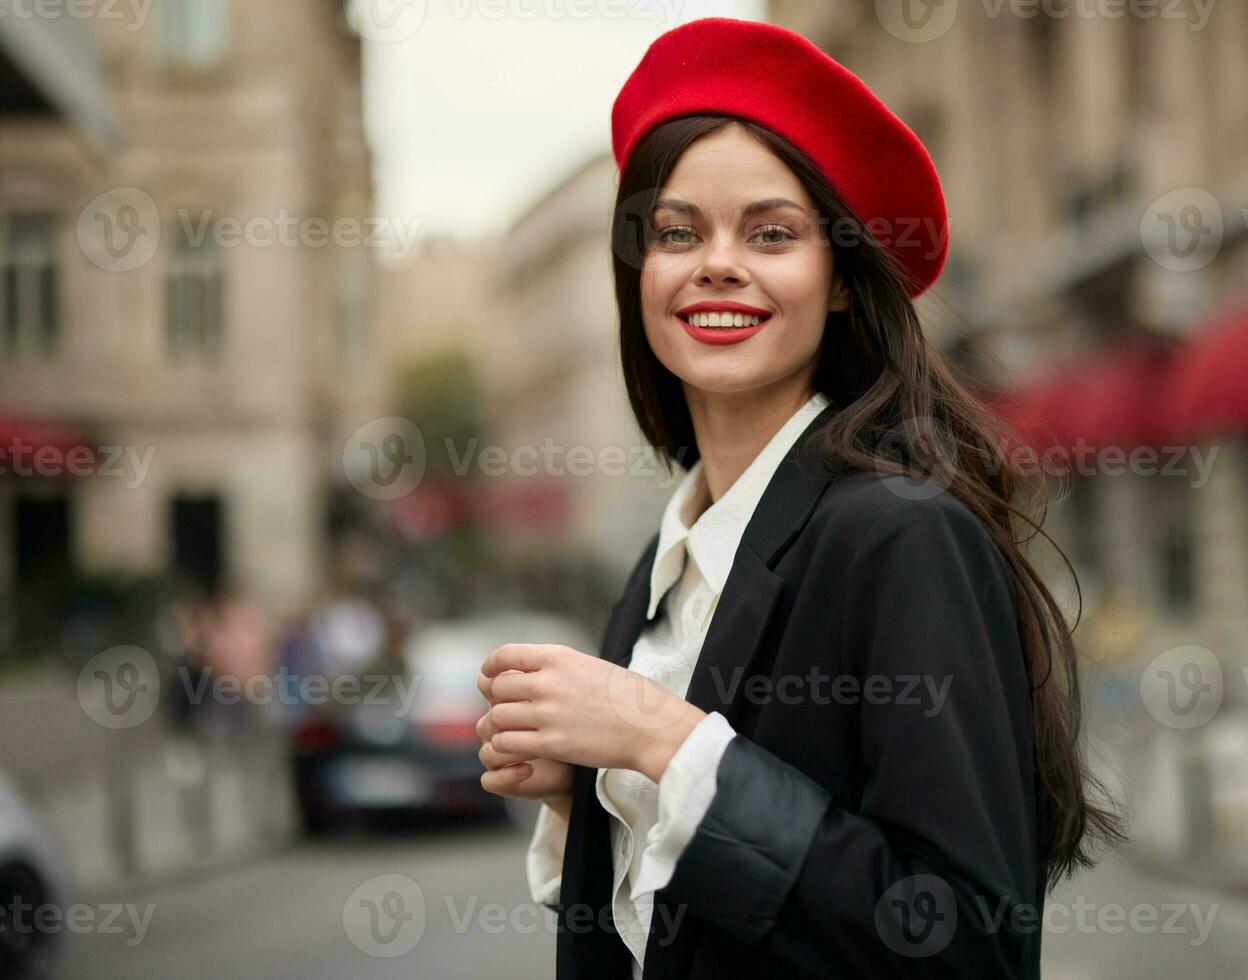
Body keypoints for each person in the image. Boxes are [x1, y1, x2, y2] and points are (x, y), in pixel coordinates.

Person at [474, 18, 1123, 978]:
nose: (716, 263)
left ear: (843, 284)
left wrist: (665, 743)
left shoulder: (905, 536)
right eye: (675, 232)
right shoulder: (655, 576)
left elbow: (967, 946)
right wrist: (592, 799)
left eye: (771, 233)